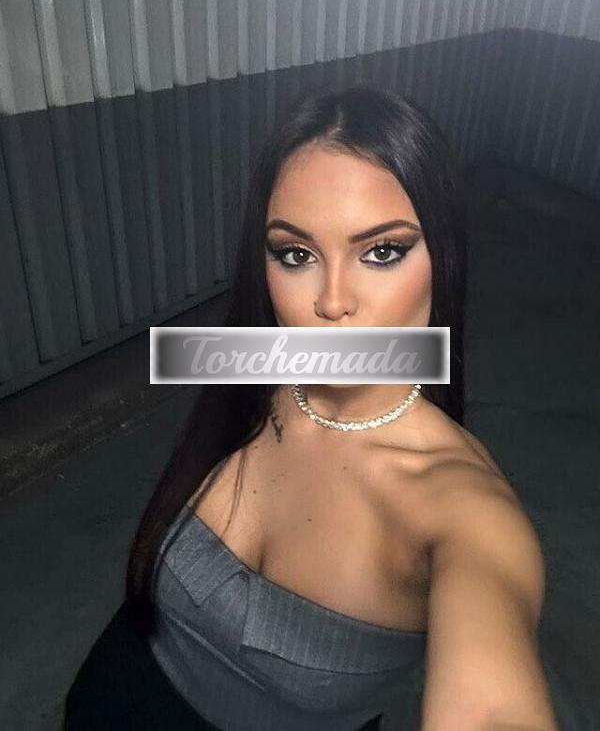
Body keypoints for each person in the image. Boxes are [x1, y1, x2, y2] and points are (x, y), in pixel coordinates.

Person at [66, 85, 559, 731]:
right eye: (295, 255)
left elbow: (491, 703)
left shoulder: (466, 514)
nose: (330, 301)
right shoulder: (251, 364)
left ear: (444, 256)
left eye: (382, 252)